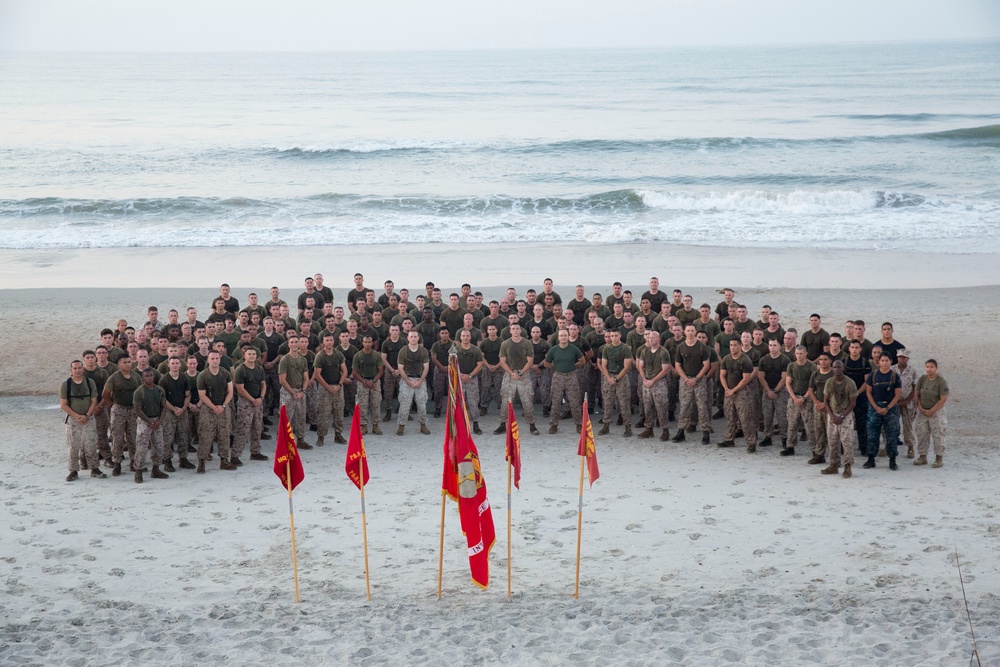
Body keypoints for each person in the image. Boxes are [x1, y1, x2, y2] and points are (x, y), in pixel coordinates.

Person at [60, 360, 102, 481]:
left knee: (91, 444)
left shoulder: (90, 382)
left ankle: (94, 468)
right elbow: (63, 404)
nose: (77, 370)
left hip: (89, 418)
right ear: (71, 370)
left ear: (83, 369)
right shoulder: (66, 385)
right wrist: (77, 416)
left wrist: (87, 415)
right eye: (75, 368)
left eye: (79, 368)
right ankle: (73, 470)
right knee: (73, 446)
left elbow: (94, 401)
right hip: (73, 420)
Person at [496, 323, 539, 435]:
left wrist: (520, 373)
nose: (515, 330)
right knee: (505, 400)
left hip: (523, 374)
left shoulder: (527, 343)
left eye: (517, 329)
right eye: (513, 329)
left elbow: (530, 361)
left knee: (527, 400)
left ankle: (532, 425)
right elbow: (502, 362)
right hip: (509, 374)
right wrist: (512, 373)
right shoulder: (505, 344)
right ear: (510, 331)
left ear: (520, 331)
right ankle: (502, 424)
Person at [673, 324, 712, 444]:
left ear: (695, 332)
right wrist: (686, 379)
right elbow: (677, 365)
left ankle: (705, 432)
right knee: (684, 406)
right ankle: (681, 431)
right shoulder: (680, 347)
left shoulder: (702, 347)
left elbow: (706, 365)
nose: (690, 333)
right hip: (685, 380)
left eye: (692, 330)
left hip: (699, 380)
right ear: (684, 332)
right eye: (688, 330)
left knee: (702, 407)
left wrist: (696, 379)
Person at [197, 350, 236, 473]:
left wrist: (223, 406)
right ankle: (202, 462)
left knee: (225, 434)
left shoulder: (225, 373)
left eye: (217, 358)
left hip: (223, 408)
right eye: (212, 358)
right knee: (205, 435)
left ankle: (224, 460)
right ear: (208, 360)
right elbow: (202, 395)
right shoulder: (203, 375)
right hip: (208, 409)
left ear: (220, 359)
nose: (215, 361)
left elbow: (230, 392)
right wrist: (214, 407)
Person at [820, 360, 859, 479]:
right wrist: (831, 415)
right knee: (832, 441)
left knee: (847, 441)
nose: (837, 369)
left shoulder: (850, 383)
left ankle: (847, 466)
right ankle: (834, 465)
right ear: (832, 368)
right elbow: (825, 400)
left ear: (843, 368)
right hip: (832, 413)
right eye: (835, 367)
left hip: (845, 414)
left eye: (839, 367)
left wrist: (842, 416)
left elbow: (853, 403)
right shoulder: (829, 382)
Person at [103, 355, 140, 477]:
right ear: (119, 364)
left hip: (133, 410)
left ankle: (134, 462)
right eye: (124, 362)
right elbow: (105, 394)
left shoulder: (136, 377)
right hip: (119, 410)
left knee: (133, 437)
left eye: (129, 362)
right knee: (117, 438)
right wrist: (113, 405)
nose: (128, 364)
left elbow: (140, 391)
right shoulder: (114, 378)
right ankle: (117, 463)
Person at [864, 353, 902, 470]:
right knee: (872, 434)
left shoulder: (895, 376)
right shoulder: (873, 375)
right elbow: (868, 392)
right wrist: (875, 407)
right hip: (875, 408)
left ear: (891, 362)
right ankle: (871, 459)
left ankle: (892, 460)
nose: (884, 363)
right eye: (882, 360)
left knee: (891, 435)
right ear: (879, 362)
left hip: (890, 409)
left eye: (887, 360)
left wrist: (888, 408)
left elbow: (897, 395)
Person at [544, 329, 585, 434]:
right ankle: (554, 425)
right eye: (561, 335)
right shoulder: (553, 350)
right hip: (558, 377)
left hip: (571, 376)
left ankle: (579, 424)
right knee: (556, 402)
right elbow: (546, 363)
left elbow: (582, 361)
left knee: (574, 402)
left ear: (568, 337)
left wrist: (574, 367)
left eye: (565, 335)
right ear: (558, 337)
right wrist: (555, 368)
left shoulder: (574, 349)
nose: (563, 337)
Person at [719, 339, 757, 451]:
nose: (732, 347)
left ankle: (751, 443)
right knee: (730, 417)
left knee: (745, 418)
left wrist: (733, 390)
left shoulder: (745, 360)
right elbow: (722, 375)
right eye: (731, 345)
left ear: (740, 346)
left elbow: (745, 379)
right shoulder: (726, 359)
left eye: (735, 345)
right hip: (729, 391)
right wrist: (727, 389)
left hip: (742, 392)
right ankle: (729, 440)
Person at [233, 345, 268, 463]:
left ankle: (255, 452)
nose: (252, 356)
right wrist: (253, 400)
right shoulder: (240, 369)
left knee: (257, 428)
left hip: (258, 402)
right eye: (249, 354)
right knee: (242, 429)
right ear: (244, 356)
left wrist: (261, 398)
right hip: (246, 403)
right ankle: (235, 455)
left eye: (254, 354)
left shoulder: (259, 369)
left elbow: (263, 384)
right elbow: (240, 389)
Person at [133, 368, 168, 483]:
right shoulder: (139, 392)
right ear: (142, 378)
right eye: (146, 376)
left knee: (159, 446)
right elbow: (137, 409)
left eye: (151, 375)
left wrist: (159, 421)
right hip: (144, 421)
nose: (149, 378)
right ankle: (138, 471)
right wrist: (149, 421)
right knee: (141, 448)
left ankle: (156, 469)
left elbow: (164, 407)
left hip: (157, 420)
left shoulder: (159, 390)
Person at [635, 329, 671, 441]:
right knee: (647, 406)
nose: (650, 339)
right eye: (649, 337)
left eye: (653, 337)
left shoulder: (663, 352)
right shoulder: (644, 351)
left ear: (658, 339)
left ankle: (665, 430)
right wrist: (645, 379)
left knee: (661, 407)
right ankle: (649, 428)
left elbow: (665, 370)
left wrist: (653, 381)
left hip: (659, 383)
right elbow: (640, 366)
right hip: (647, 382)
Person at [159, 356, 192, 471]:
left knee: (183, 435)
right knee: (168, 437)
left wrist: (183, 408)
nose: (175, 365)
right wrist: (174, 409)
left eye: (177, 363)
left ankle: (183, 459)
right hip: (169, 412)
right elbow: (163, 399)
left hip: (182, 410)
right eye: (172, 363)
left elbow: (188, 395)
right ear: (168, 365)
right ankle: (167, 461)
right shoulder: (164, 380)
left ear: (180, 365)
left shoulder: (184, 378)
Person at [278, 334, 312, 448]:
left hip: (300, 391)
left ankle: (300, 439)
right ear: (288, 344)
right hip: (288, 392)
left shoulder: (303, 360)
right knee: (287, 418)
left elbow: (306, 378)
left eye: (296, 342)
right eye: (291, 342)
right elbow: (282, 380)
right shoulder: (285, 360)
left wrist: (302, 391)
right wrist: (293, 393)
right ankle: (285, 442)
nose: (294, 344)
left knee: (301, 417)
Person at [914, 359, 949, 468]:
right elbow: (916, 394)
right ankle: (922, 456)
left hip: (936, 412)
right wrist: (920, 407)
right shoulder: (922, 379)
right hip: (922, 412)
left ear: (936, 368)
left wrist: (931, 410)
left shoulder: (941, 381)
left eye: (931, 367)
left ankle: (939, 458)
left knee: (938, 435)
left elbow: (943, 399)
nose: (929, 369)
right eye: (927, 367)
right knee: (921, 434)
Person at [782, 345, 816, 457]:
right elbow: (788, 383)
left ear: (806, 354)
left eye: (801, 353)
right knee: (792, 423)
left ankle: (815, 449)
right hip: (794, 397)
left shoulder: (811, 366)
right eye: (797, 353)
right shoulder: (791, 366)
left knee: (809, 425)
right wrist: (794, 398)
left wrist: (804, 398)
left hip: (807, 397)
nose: (799, 356)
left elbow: (813, 385)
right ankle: (790, 446)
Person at [598, 329, 633, 437]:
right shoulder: (607, 348)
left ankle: (628, 427)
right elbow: (604, 365)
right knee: (607, 402)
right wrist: (609, 378)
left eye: (615, 335)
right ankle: (606, 425)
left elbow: (627, 367)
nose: (613, 338)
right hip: (609, 376)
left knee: (624, 403)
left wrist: (616, 379)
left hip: (621, 377)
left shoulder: (625, 348)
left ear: (620, 335)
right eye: (612, 336)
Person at [396, 331, 431, 435]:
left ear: (418, 338)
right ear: (408, 338)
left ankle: (423, 425)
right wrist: (408, 381)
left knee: (422, 405)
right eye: (411, 336)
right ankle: (401, 426)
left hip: (420, 379)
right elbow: (400, 368)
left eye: (415, 336)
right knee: (404, 404)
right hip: (407, 380)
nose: (413, 338)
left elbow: (426, 368)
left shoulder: (423, 351)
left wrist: (420, 381)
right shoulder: (403, 351)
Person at [757, 338, 789, 448]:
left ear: (779, 346)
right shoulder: (763, 359)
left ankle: (784, 437)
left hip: (781, 391)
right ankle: (767, 437)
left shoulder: (785, 360)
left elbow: (784, 378)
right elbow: (761, 376)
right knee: (767, 415)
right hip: (767, 390)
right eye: (770, 345)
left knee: (782, 415)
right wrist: (768, 391)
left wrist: (775, 391)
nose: (772, 347)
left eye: (774, 345)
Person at [805, 353, 834, 465]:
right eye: (821, 359)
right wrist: (816, 402)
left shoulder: (834, 374)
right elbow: (811, 390)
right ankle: (819, 455)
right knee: (818, 430)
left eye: (825, 359)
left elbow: (837, 392)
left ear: (830, 361)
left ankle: (833, 456)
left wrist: (826, 404)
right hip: (818, 406)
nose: (823, 361)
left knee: (831, 432)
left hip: (831, 408)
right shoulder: (815, 374)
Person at [352, 335, 384, 435]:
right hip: (362, 382)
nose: (367, 344)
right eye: (365, 342)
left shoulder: (376, 355)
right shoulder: (357, 356)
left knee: (376, 403)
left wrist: (373, 381)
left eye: (369, 342)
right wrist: (364, 382)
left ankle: (375, 425)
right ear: (362, 343)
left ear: (372, 343)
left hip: (375, 382)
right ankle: (363, 426)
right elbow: (354, 372)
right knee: (363, 405)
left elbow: (380, 371)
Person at [455, 329, 485, 434]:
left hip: (472, 380)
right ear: (460, 337)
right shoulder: (455, 350)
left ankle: (475, 424)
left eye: (467, 336)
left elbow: (480, 364)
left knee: (473, 402)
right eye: (463, 336)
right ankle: (460, 425)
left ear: (470, 337)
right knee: (459, 403)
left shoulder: (476, 350)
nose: (465, 338)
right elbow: (452, 365)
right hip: (459, 380)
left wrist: (470, 376)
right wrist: (460, 375)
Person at [892, 349, 918, 459]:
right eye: (900, 357)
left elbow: (915, 388)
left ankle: (910, 447)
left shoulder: (912, 371)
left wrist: (906, 401)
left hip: (908, 402)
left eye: (904, 357)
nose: (901, 359)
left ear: (907, 358)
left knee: (908, 425)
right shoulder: (892, 369)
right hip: (894, 402)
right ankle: (890, 446)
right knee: (892, 424)